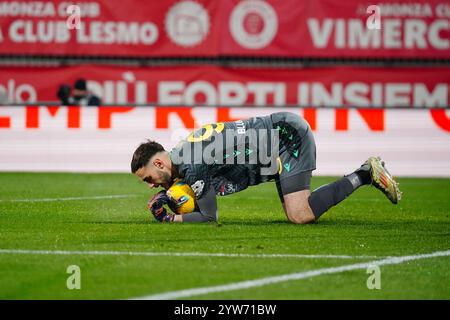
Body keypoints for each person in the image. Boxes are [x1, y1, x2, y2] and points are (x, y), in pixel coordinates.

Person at [131, 112, 402, 223]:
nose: (151, 184)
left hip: (286, 137)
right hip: (274, 138)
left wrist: (169, 218)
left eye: (148, 178)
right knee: (295, 213)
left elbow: (209, 215)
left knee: (300, 215)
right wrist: (172, 196)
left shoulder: (190, 163)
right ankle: (366, 173)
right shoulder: (184, 155)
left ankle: (366, 174)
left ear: (158, 163)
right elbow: (195, 188)